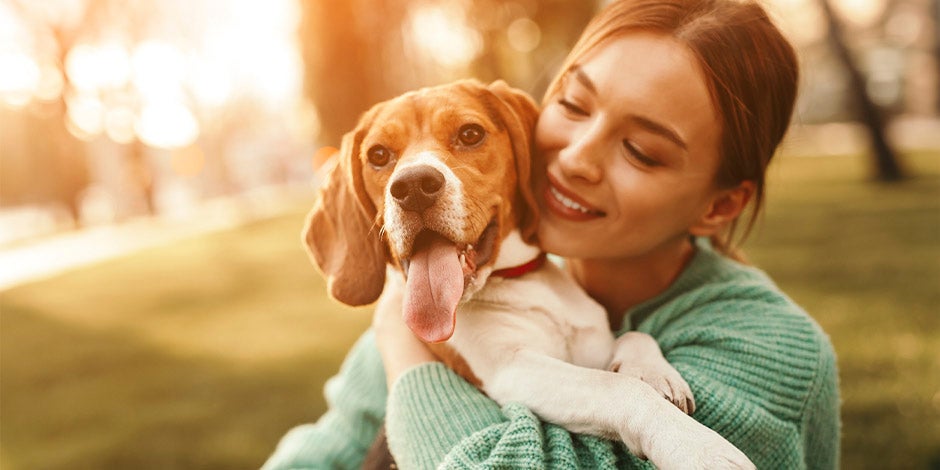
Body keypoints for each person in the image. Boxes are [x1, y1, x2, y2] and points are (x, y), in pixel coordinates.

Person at [263, 0, 841, 467]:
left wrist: (406, 358)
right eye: (571, 104)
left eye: (640, 149)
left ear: (719, 206)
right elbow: (335, 440)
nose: (577, 158)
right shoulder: (440, 292)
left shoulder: (768, 354)